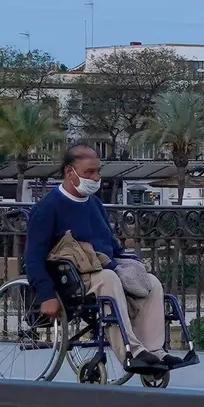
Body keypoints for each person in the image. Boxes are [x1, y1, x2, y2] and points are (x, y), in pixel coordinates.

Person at [24, 144, 180, 372]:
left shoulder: (95, 204)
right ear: (70, 172)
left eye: (98, 171)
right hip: (71, 277)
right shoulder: (47, 208)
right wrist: (47, 294)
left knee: (151, 282)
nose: (96, 177)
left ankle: (155, 351)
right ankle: (131, 352)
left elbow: (110, 244)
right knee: (108, 279)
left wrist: (131, 265)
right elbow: (33, 258)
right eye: (89, 173)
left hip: (104, 265)